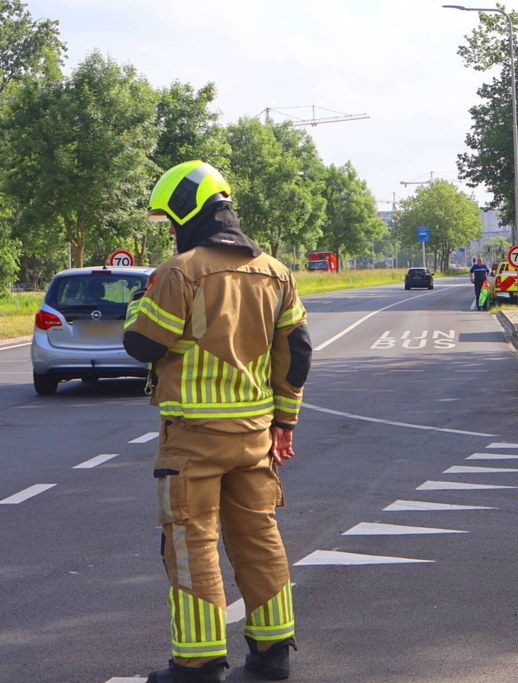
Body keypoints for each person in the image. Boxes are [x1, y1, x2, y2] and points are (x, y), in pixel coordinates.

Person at [123, 161, 311, 683]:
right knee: (259, 537)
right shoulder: (277, 272)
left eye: (169, 217)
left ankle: (198, 664)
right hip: (254, 436)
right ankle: (273, 657)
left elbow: (142, 344)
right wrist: (284, 423)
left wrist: (139, 303)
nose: (169, 228)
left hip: (192, 440)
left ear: (186, 210)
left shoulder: (179, 271)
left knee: (191, 542)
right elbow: (296, 354)